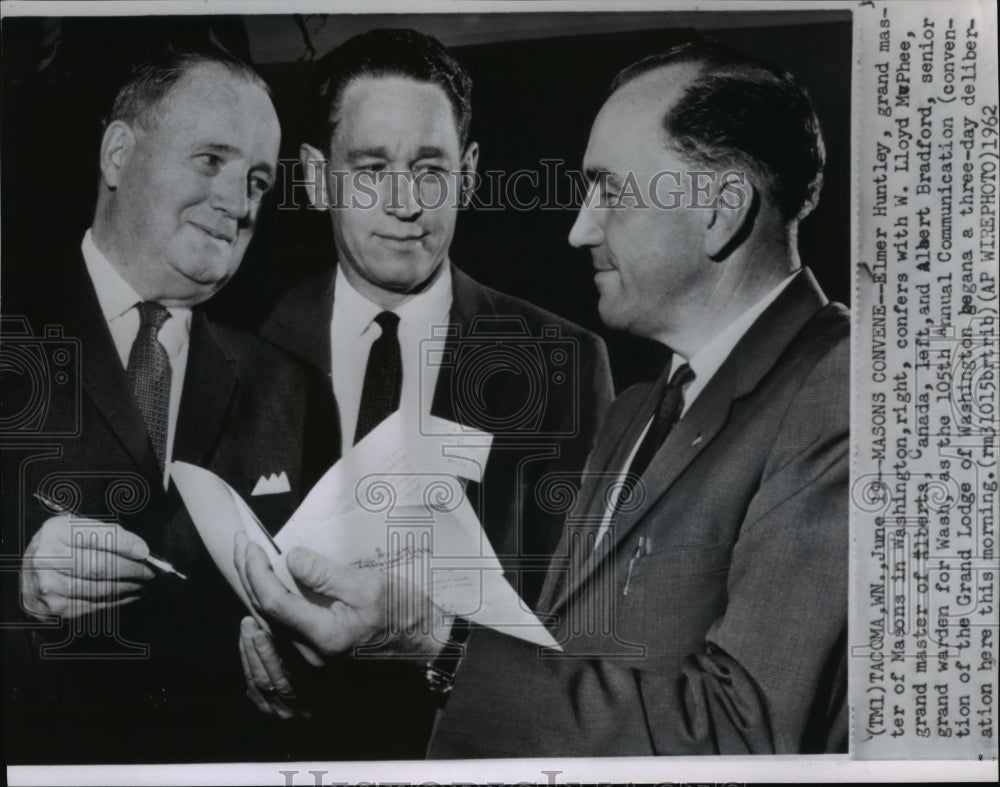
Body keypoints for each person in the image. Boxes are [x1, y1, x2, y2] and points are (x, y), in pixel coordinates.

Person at [238, 39, 848, 756]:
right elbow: (568, 651)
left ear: (720, 211)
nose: (577, 226)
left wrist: (436, 641)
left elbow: (744, 729)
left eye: (611, 192)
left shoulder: (842, 387)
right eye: (372, 169)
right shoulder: (643, 410)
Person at [252, 29, 614, 758]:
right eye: (370, 167)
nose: (406, 203)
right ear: (318, 175)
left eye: (429, 168)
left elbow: (590, 630)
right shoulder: (245, 348)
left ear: (470, 172)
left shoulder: (564, 363)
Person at [0, 48, 338, 763]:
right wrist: (17, 584)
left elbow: (326, 631)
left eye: (257, 180)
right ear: (119, 153)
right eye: (211, 160)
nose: (239, 203)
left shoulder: (292, 389)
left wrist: (308, 668)